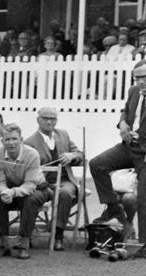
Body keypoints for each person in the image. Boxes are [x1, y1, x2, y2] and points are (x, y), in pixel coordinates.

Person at [89, 61, 146, 258]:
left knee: (143, 196)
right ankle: (116, 211)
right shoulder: (134, 91)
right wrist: (122, 122)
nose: (141, 81)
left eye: (144, 77)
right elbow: (125, 109)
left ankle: (144, 245)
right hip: (129, 146)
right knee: (97, 164)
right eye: (137, 77)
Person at [24, 106, 83, 251]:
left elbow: (80, 153)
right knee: (32, 197)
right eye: (45, 118)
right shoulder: (29, 142)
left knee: (65, 193)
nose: (49, 122)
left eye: (53, 119)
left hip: (64, 181)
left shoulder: (63, 135)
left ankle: (57, 235)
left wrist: (72, 156)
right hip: (42, 183)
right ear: (38, 120)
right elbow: (28, 169)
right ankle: (27, 234)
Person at [0, 123, 43, 259]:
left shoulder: (32, 154)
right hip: (12, 190)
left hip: (38, 189)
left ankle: (24, 245)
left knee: (29, 200)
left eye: (14, 139)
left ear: (21, 139)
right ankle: (3, 245)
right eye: (7, 139)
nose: (11, 143)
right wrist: (4, 192)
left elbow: (30, 184)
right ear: (2, 141)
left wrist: (12, 192)